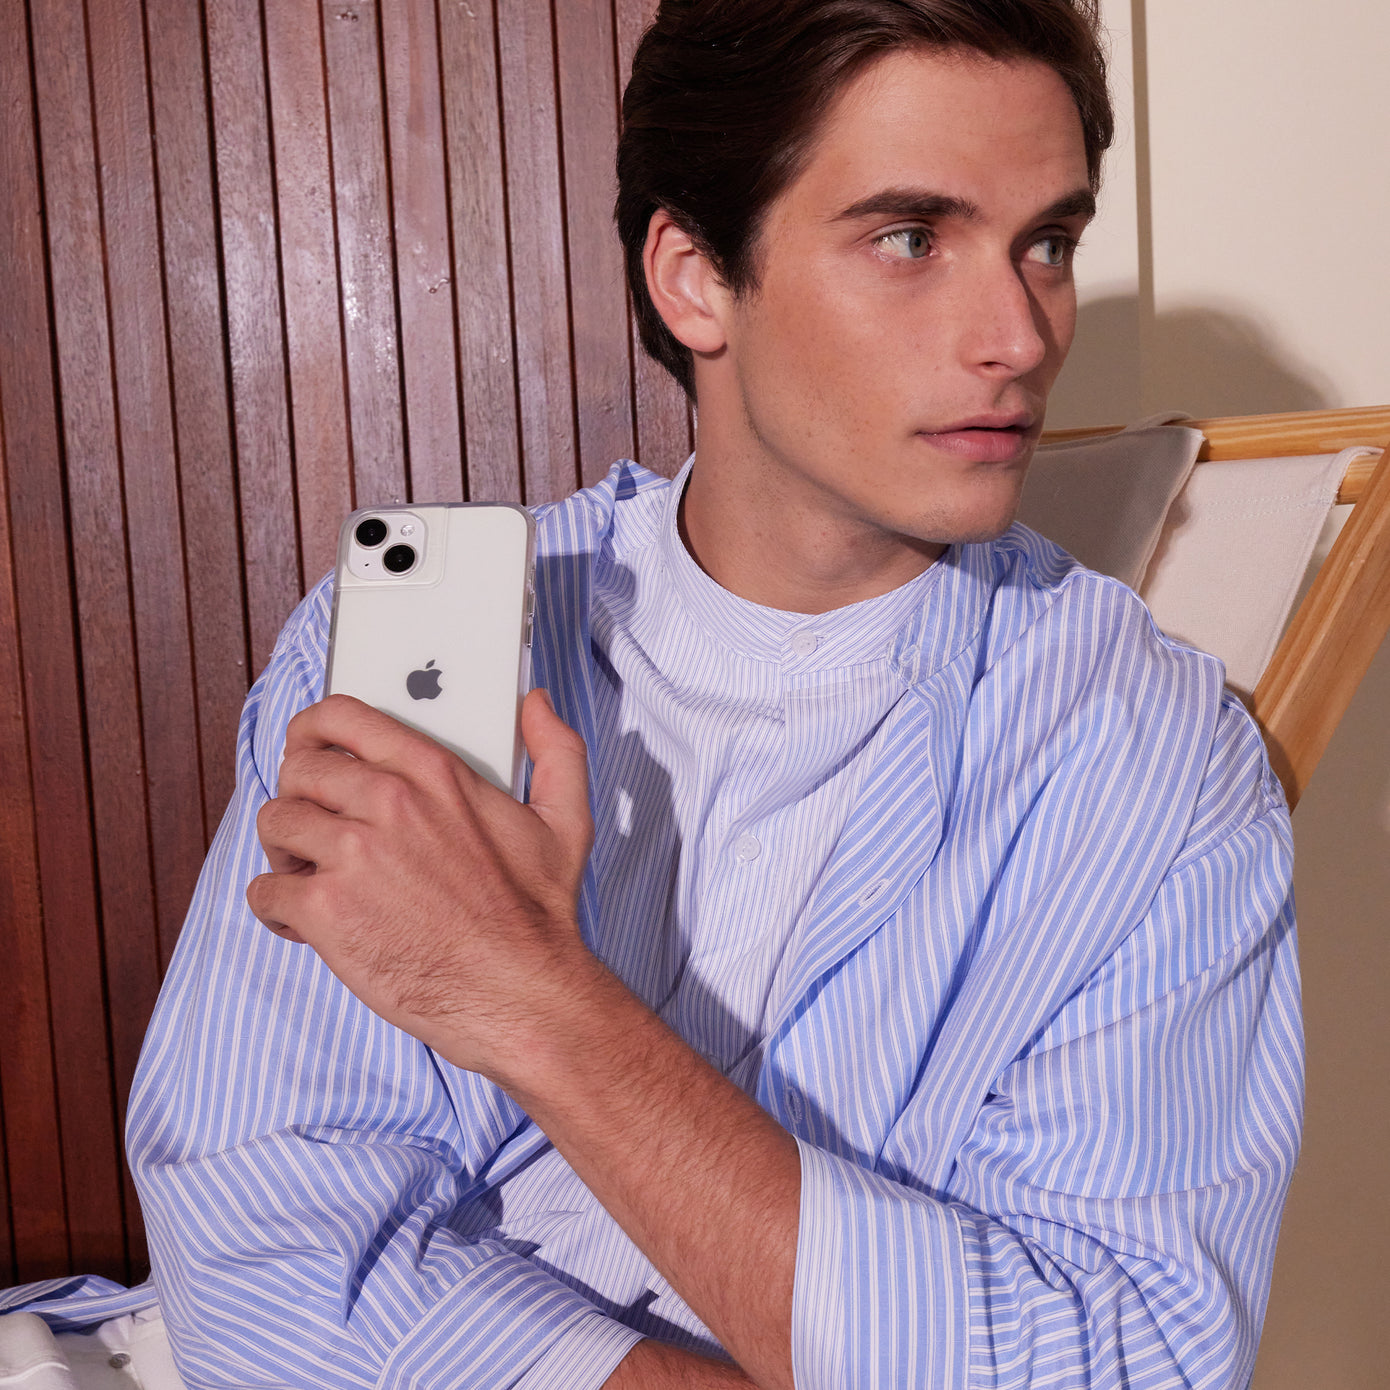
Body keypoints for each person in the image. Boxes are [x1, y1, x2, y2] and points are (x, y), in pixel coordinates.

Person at [3, 1, 1302, 1386]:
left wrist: (532, 1001)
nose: (1018, 336)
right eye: (910, 238)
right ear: (693, 279)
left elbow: (1122, 1359)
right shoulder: (404, 653)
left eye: (1046, 243)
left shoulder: (1159, 764)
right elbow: (264, 1249)